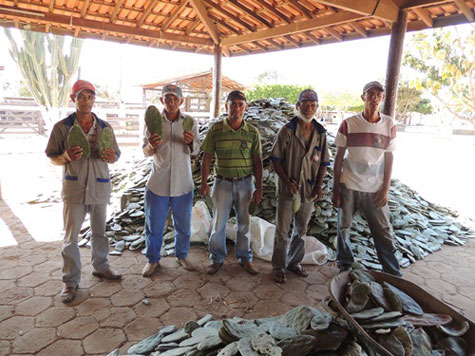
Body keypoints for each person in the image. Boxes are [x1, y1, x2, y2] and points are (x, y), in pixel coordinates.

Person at [45, 80, 122, 304]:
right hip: (75, 188)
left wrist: (112, 157)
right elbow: (52, 157)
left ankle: (101, 267)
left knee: (100, 232)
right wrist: (67, 156)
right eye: (81, 97)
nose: (85, 101)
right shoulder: (62, 127)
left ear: (94, 99)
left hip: (99, 185)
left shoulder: (105, 127)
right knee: (71, 238)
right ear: (73, 99)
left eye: (89, 97)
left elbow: (116, 154)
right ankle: (70, 281)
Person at [332, 81, 402, 277]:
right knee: (343, 226)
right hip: (349, 185)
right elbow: (339, 157)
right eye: (369, 94)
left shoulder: (389, 125)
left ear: (383, 98)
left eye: (378, 94)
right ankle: (344, 262)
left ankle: (391, 270)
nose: (374, 97)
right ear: (363, 97)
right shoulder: (349, 124)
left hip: (375, 188)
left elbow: (389, 157)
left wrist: (385, 189)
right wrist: (335, 188)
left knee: (383, 230)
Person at [269, 89, 330, 284]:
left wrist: (319, 186)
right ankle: (278, 266)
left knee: (301, 229)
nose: (309, 108)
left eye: (313, 105)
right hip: (289, 189)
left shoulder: (320, 133)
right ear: (298, 106)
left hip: (309, 190)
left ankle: (294, 262)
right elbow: (275, 159)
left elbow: (323, 163)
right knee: (282, 229)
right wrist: (286, 181)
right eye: (306, 104)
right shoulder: (287, 130)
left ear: (317, 107)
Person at [201, 90, 263, 275]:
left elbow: (257, 161)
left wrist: (258, 188)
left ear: (246, 107)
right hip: (222, 183)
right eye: (233, 104)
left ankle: (245, 258)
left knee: (244, 223)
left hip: (245, 184)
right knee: (218, 223)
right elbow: (207, 157)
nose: (236, 108)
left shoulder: (252, 132)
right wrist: (204, 183)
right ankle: (216, 258)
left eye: (240, 104)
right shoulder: (216, 130)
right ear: (226, 106)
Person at [142, 84, 200, 277]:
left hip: (183, 183)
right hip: (158, 182)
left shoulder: (190, 122)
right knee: (154, 225)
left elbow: (198, 150)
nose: (172, 102)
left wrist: (191, 142)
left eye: (175, 99)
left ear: (181, 101)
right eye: (168, 98)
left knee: (183, 224)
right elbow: (145, 150)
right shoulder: (153, 121)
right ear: (162, 101)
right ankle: (153, 260)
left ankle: (182, 255)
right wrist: (151, 145)